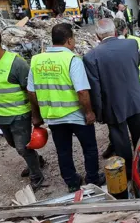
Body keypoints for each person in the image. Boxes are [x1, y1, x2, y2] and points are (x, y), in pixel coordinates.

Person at [27, 23, 103, 192]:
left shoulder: (37, 60)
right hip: (76, 115)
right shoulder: (72, 60)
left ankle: (72, 182)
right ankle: (92, 178)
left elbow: (31, 92)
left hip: (53, 116)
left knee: (63, 151)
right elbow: (82, 91)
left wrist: (37, 115)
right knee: (89, 148)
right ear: (69, 40)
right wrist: (89, 112)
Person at [0, 27, 44, 190]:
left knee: (23, 147)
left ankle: (37, 175)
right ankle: (36, 160)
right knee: (14, 144)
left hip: (19, 115)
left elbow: (31, 92)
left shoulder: (16, 63)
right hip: (0, 115)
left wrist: (36, 116)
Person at [83, 19, 140, 181]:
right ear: (114, 32)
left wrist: (98, 113)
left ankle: (128, 174)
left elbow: (96, 90)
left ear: (98, 36)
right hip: (136, 100)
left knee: (120, 142)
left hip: (113, 105)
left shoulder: (91, 57)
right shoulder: (131, 45)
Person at [102, 19, 140, 158]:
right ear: (126, 29)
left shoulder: (102, 46)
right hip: (135, 89)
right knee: (138, 127)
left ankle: (118, 150)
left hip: (114, 91)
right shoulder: (136, 42)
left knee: (118, 127)